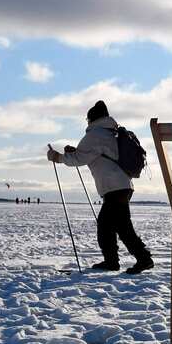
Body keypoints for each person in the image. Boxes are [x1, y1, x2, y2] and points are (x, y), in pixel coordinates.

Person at [47, 101, 154, 274]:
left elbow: (79, 159)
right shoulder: (110, 131)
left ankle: (137, 259)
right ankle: (119, 260)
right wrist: (74, 151)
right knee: (113, 225)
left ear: (91, 119)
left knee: (113, 226)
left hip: (114, 187)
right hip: (122, 185)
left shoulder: (95, 134)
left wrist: (57, 157)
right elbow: (94, 154)